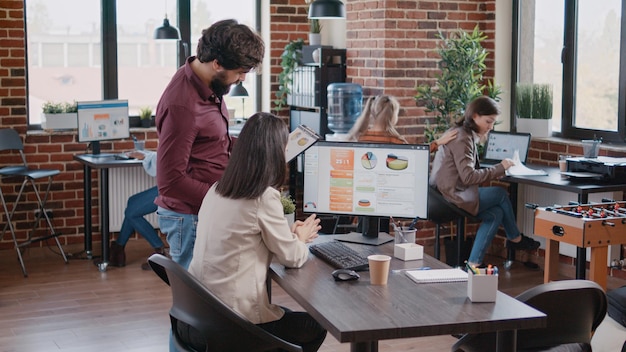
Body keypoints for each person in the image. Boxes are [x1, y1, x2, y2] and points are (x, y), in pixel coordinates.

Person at [188, 112, 327, 352]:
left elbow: (245, 236)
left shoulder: (217, 189)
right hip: (232, 325)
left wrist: (288, 234)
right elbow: (293, 258)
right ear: (275, 153)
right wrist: (301, 238)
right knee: (315, 326)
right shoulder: (263, 197)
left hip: (198, 318)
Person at [154, 19, 265, 270]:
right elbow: (170, 181)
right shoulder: (182, 105)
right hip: (191, 217)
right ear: (217, 64)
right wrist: (225, 199)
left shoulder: (208, 84)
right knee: (199, 301)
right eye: (239, 71)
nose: (242, 78)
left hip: (204, 212)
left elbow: (211, 142)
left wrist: (257, 148)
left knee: (213, 296)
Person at [429, 96, 540, 267]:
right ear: (475, 116)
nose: (491, 127)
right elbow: (468, 177)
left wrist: (496, 171)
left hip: (445, 193)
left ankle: (472, 265)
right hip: (450, 196)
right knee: (500, 193)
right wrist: (499, 168)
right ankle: (515, 239)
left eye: (493, 122)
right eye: (488, 121)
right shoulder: (462, 138)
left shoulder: (462, 133)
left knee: (496, 213)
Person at [109, 150, 165, 270]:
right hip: (170, 184)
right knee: (132, 201)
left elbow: (169, 158)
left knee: (132, 213)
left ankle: (160, 250)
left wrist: (145, 156)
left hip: (175, 188)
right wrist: (147, 155)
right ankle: (119, 248)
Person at [347, 94, 457, 150]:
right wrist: (438, 142)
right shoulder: (396, 141)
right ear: (393, 116)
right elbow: (416, 155)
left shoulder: (359, 138)